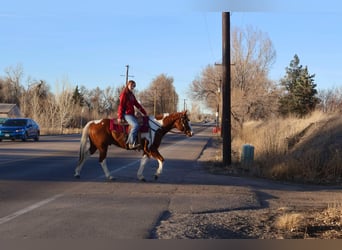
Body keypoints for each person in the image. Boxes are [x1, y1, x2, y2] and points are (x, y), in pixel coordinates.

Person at [117, 80, 147, 149]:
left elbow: (137, 104)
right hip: (126, 114)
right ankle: (130, 143)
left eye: (134, 86)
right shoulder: (124, 94)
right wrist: (120, 116)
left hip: (131, 114)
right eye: (131, 85)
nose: (132, 87)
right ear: (128, 85)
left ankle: (138, 141)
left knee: (141, 123)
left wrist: (144, 112)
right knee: (136, 125)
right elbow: (121, 105)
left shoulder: (131, 95)